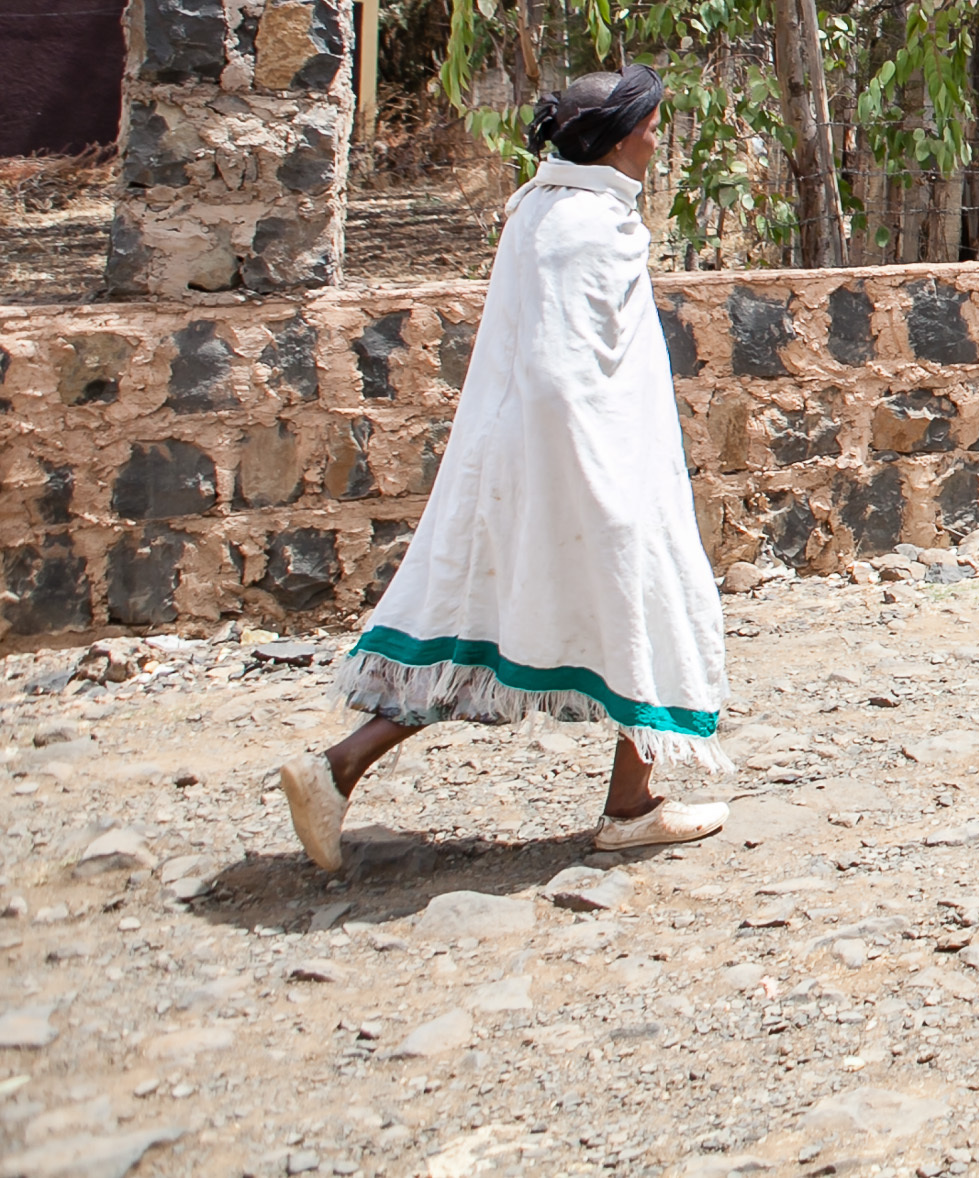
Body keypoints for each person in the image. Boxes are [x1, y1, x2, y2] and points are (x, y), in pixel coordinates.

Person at [278, 66, 731, 871]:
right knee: (655, 603)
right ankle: (629, 809)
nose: (659, 142)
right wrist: (604, 487)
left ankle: (336, 769)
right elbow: (563, 369)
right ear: (623, 137)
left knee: (477, 626)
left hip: (529, 457)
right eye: (654, 127)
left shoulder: (545, 210)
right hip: (587, 465)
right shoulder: (585, 225)